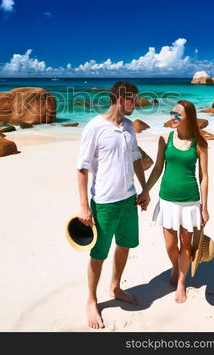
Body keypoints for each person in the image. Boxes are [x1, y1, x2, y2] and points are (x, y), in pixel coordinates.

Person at [76, 81, 150, 330]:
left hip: (128, 200)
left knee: (125, 245)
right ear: (120, 98)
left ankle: (116, 287)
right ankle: (91, 300)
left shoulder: (129, 127)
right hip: (104, 203)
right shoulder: (95, 127)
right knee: (99, 254)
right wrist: (84, 206)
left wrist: (145, 190)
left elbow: (136, 159)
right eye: (133, 100)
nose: (135, 104)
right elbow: (82, 168)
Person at [146, 100, 209, 303]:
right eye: (172, 113)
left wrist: (205, 207)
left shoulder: (200, 143)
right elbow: (157, 168)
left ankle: (182, 280)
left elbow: (204, 176)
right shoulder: (165, 138)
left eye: (177, 115)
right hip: (167, 201)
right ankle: (176, 266)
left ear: (188, 118)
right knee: (171, 245)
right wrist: (145, 191)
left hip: (190, 201)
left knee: (187, 245)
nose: (172, 117)